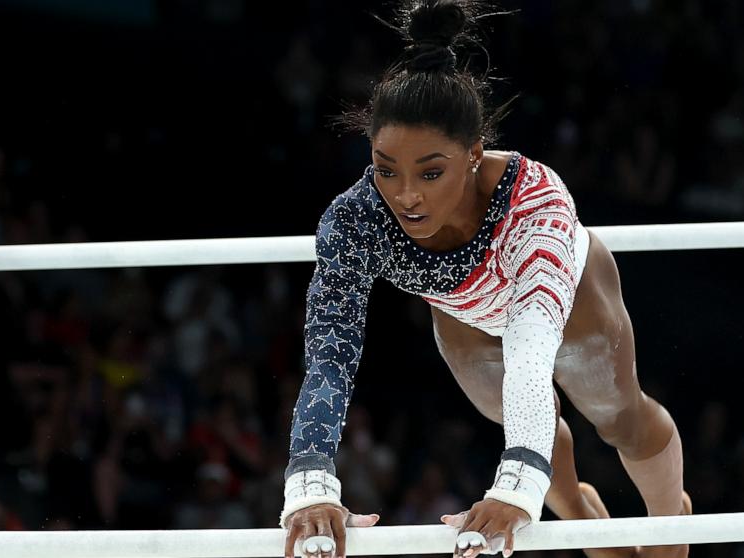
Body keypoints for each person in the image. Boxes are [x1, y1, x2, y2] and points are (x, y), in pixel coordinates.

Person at [280, 2, 690, 557]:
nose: (406, 196)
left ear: (473, 154)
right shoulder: (356, 220)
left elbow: (530, 346)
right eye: (385, 169)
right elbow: (331, 352)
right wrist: (309, 482)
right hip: (464, 311)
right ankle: (576, 506)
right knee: (523, 423)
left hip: (567, 301)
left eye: (431, 171)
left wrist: (517, 483)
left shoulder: (533, 201)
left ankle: (672, 524)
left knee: (617, 417)